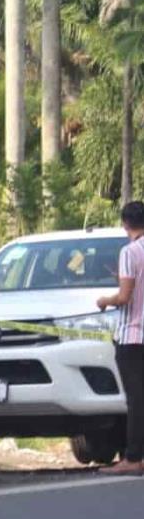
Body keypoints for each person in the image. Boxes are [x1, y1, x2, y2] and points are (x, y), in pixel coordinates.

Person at [97, 201, 144, 476]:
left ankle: (133, 457)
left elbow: (125, 297)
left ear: (125, 224)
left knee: (136, 399)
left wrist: (106, 300)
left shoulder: (129, 252)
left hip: (132, 336)